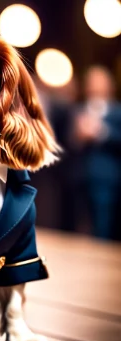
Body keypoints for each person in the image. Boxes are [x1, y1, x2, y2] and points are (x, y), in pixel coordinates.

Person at [74, 66, 121, 240]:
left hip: (106, 178)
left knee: (103, 223)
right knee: (79, 222)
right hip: (79, 176)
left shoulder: (117, 111)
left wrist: (101, 132)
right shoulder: (79, 109)